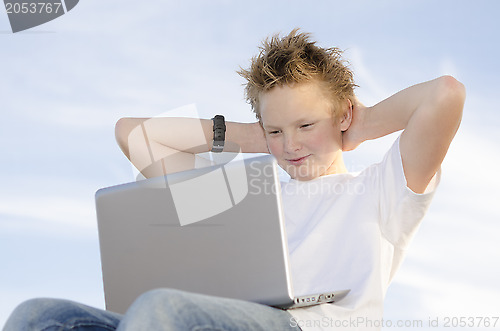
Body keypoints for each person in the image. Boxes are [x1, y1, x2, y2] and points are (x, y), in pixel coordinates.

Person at [3, 29, 465, 331]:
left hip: (306, 327)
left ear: (342, 114)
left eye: (306, 126)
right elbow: (134, 133)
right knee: (39, 316)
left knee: (160, 310)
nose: (292, 145)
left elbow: (445, 95)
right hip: (217, 318)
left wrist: (358, 127)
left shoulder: (381, 191)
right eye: (277, 131)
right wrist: (256, 137)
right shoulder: (249, 195)